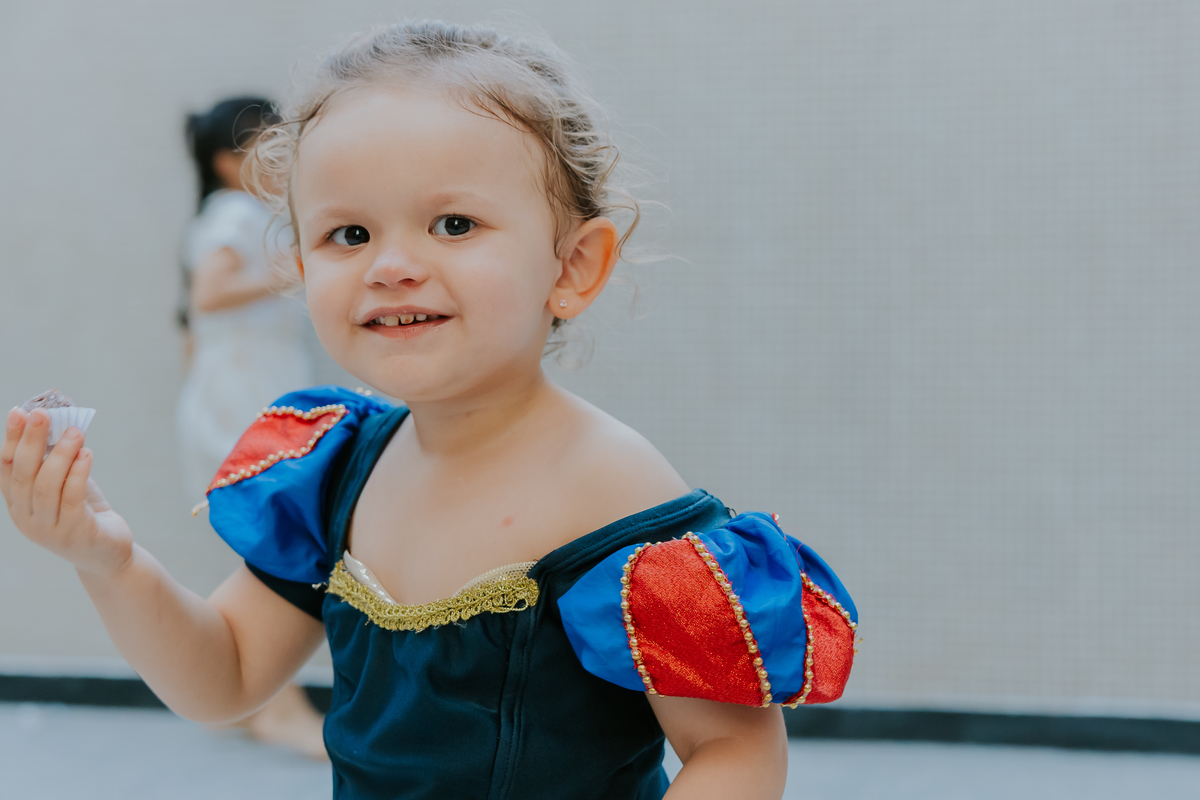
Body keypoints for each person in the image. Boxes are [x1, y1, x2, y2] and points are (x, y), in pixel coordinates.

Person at [1, 21, 858, 799]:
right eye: (349, 235)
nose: (392, 265)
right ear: (298, 262)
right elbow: (222, 679)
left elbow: (734, 753)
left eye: (453, 224)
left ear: (573, 268)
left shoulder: (611, 486)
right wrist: (107, 561)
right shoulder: (337, 466)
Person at [177, 97, 326, 759]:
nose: (280, 162)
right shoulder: (234, 215)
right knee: (270, 544)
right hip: (241, 401)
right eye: (266, 150)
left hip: (241, 394)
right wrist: (294, 269)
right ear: (227, 162)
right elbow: (207, 295)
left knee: (262, 541)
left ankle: (240, 696)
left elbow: (195, 324)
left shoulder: (241, 216)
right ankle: (276, 704)